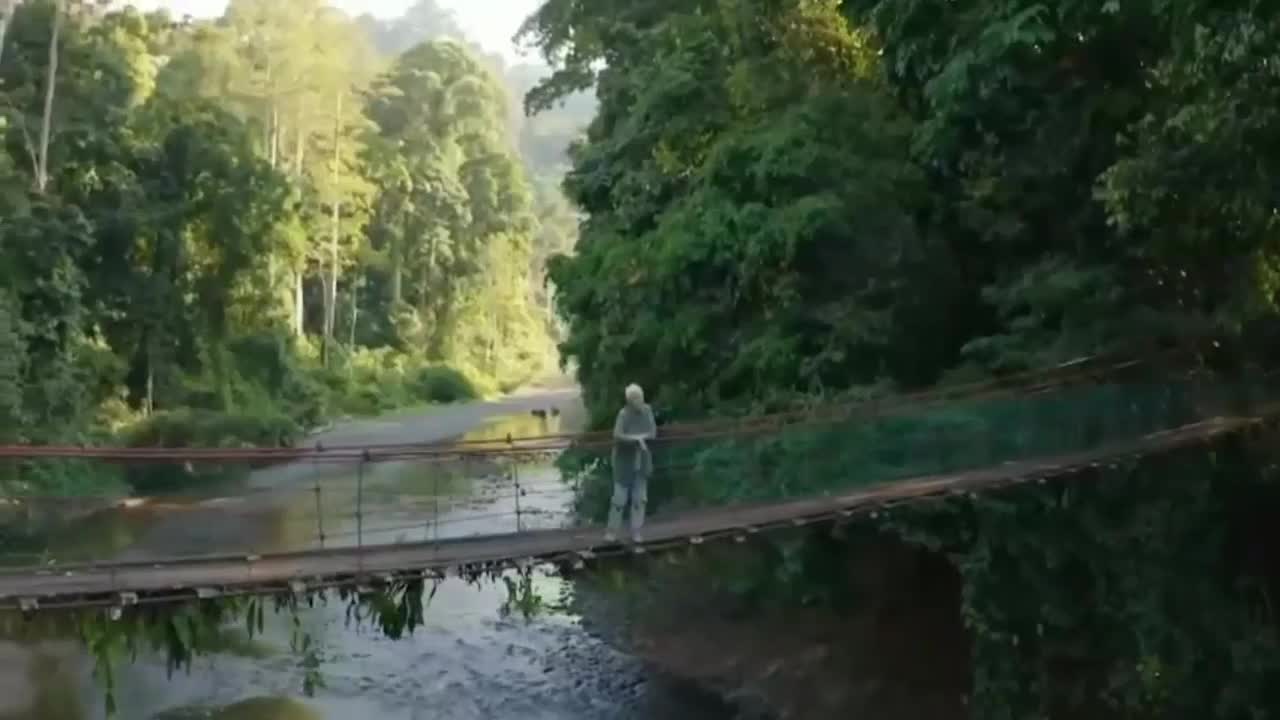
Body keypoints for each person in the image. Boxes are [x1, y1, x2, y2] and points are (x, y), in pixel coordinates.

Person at [606, 383, 657, 542]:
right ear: (629, 400)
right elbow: (617, 434)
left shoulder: (647, 410)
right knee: (619, 500)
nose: (638, 400)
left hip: (641, 461)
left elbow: (653, 432)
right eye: (635, 398)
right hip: (623, 463)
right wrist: (636, 439)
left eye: (640, 397)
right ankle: (612, 532)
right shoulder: (623, 414)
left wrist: (641, 438)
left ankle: (636, 531)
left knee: (639, 499)